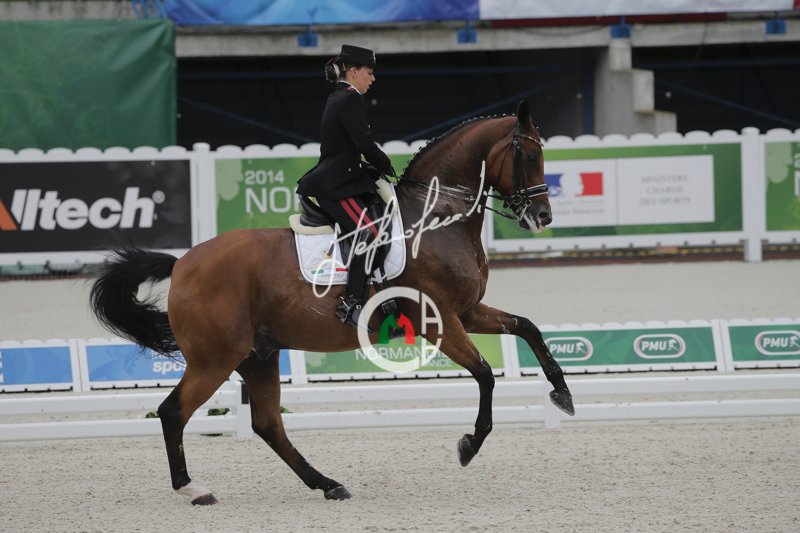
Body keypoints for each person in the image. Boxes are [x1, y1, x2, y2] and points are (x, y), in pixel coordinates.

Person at [296, 44, 394, 330]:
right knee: (370, 233)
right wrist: (386, 165)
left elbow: (345, 148)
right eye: (369, 72)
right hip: (336, 185)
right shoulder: (350, 99)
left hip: (344, 177)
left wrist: (369, 170)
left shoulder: (339, 96)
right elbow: (364, 144)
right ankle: (351, 303)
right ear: (353, 72)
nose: (372, 79)